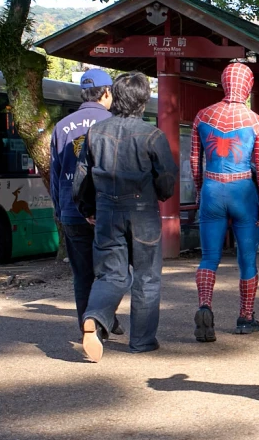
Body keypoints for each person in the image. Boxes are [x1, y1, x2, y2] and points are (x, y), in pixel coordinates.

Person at [73, 71, 177, 360]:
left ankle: (94, 315)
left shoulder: (95, 133)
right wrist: (160, 194)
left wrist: (88, 209)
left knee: (111, 274)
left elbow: (81, 179)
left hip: (106, 210)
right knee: (146, 276)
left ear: (113, 97)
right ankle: (142, 340)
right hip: (143, 210)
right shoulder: (153, 136)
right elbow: (167, 179)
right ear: (143, 101)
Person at [191, 62, 259, 341]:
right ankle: (245, 317)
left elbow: (194, 160)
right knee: (247, 259)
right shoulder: (256, 121)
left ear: (224, 83)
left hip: (213, 187)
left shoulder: (203, 116)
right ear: (247, 86)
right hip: (243, 191)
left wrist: (201, 190)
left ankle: (204, 305)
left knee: (209, 257)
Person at [49, 68, 120, 335]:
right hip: (108, 210)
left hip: (71, 210)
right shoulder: (114, 123)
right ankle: (105, 317)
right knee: (113, 271)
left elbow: (56, 174)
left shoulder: (61, 127)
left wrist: (60, 209)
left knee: (82, 275)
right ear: (106, 92)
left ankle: (88, 326)